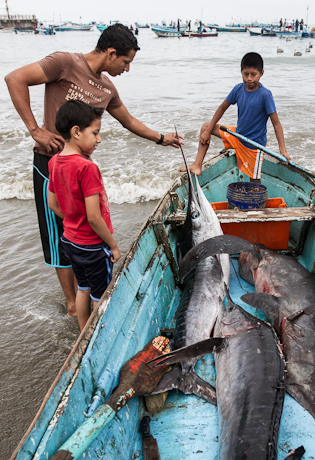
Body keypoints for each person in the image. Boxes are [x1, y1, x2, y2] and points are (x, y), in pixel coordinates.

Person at [4, 23, 182, 317]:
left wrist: (162, 139)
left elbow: (128, 120)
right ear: (111, 53)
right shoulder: (65, 62)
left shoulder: (108, 88)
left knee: (79, 231)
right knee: (56, 235)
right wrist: (35, 129)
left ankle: (81, 294)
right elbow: (14, 79)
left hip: (81, 168)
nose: (127, 69)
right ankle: (73, 305)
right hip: (51, 163)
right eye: (125, 62)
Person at [48, 100, 119, 332]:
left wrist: (72, 220)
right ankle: (99, 337)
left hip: (70, 241)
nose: (99, 139)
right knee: (101, 295)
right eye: (95, 133)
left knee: (83, 289)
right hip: (93, 246)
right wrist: (113, 245)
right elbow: (94, 217)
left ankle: (83, 333)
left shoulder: (54, 162)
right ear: (76, 132)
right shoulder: (87, 168)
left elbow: (52, 204)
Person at [184, 52, 290, 180]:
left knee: (254, 182)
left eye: (253, 74)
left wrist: (282, 150)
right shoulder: (238, 89)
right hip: (237, 136)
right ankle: (197, 165)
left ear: (261, 73)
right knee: (206, 127)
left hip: (253, 146)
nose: (249, 78)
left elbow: (276, 124)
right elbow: (222, 108)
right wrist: (207, 132)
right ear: (241, 72)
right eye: (246, 74)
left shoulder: (265, 95)